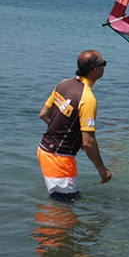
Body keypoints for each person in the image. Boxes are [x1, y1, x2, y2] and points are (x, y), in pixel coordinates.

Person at [37, 50, 112, 201]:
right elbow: (89, 142)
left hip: (44, 150)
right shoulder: (88, 99)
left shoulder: (63, 84)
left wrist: (72, 136)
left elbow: (44, 114)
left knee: (62, 201)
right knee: (63, 209)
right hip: (60, 159)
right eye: (103, 63)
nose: (105, 67)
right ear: (95, 69)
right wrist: (102, 170)